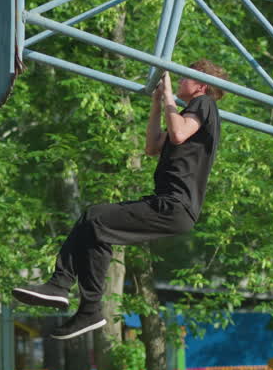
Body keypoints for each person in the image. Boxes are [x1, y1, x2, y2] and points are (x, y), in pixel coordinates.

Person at [12, 60, 229, 340]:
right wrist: (156, 105)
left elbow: (177, 134)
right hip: (170, 205)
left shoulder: (204, 104)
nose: (179, 80)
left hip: (175, 205)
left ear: (201, 85)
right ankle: (87, 309)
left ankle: (62, 285)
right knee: (96, 230)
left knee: (94, 217)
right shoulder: (190, 112)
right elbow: (152, 147)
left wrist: (167, 97)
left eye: (186, 77)